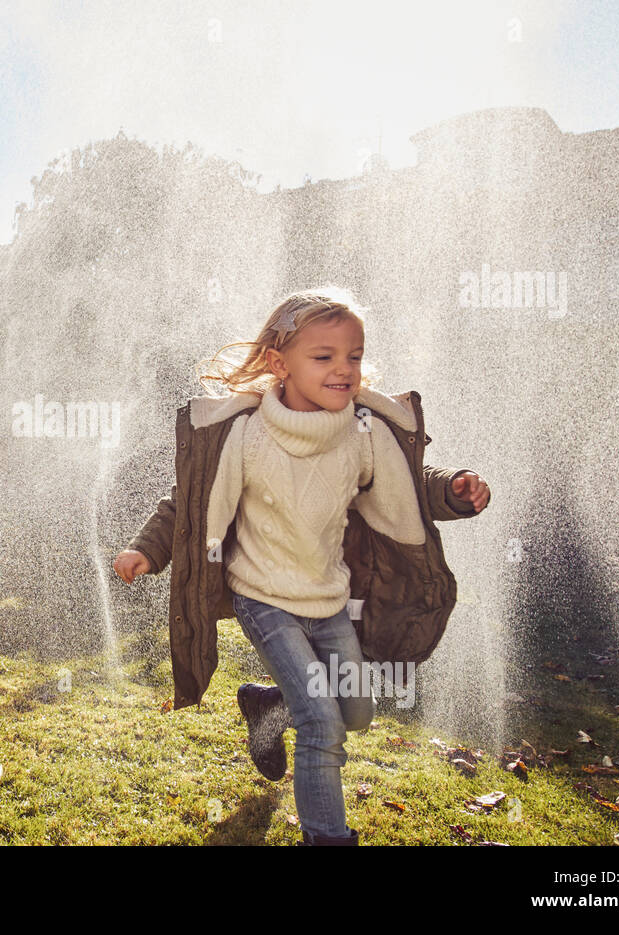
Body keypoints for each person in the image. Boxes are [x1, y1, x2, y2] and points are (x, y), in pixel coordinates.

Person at [113, 288, 490, 845]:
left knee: (356, 712)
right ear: (278, 363)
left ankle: (267, 704)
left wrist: (453, 491)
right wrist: (149, 548)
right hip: (263, 598)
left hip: (328, 598)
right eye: (324, 357)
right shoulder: (245, 435)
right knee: (322, 721)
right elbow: (188, 503)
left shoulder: (362, 432)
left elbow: (407, 484)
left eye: (354, 356)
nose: (344, 369)